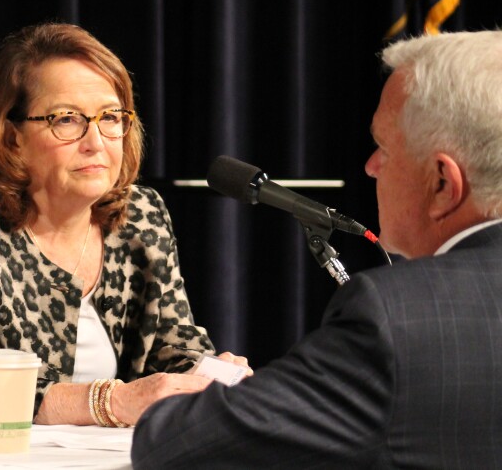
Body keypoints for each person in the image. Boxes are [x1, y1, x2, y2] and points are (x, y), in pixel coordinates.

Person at [131, 30, 502, 467]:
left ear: (442, 183)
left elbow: (179, 443)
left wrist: (132, 402)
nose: (370, 166)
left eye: (383, 147)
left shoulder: (397, 316)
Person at [0, 22, 248, 433]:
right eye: (67, 119)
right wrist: (117, 401)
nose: (95, 140)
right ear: (11, 138)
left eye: (110, 117)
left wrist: (211, 376)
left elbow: (173, 349)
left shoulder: (141, 215)